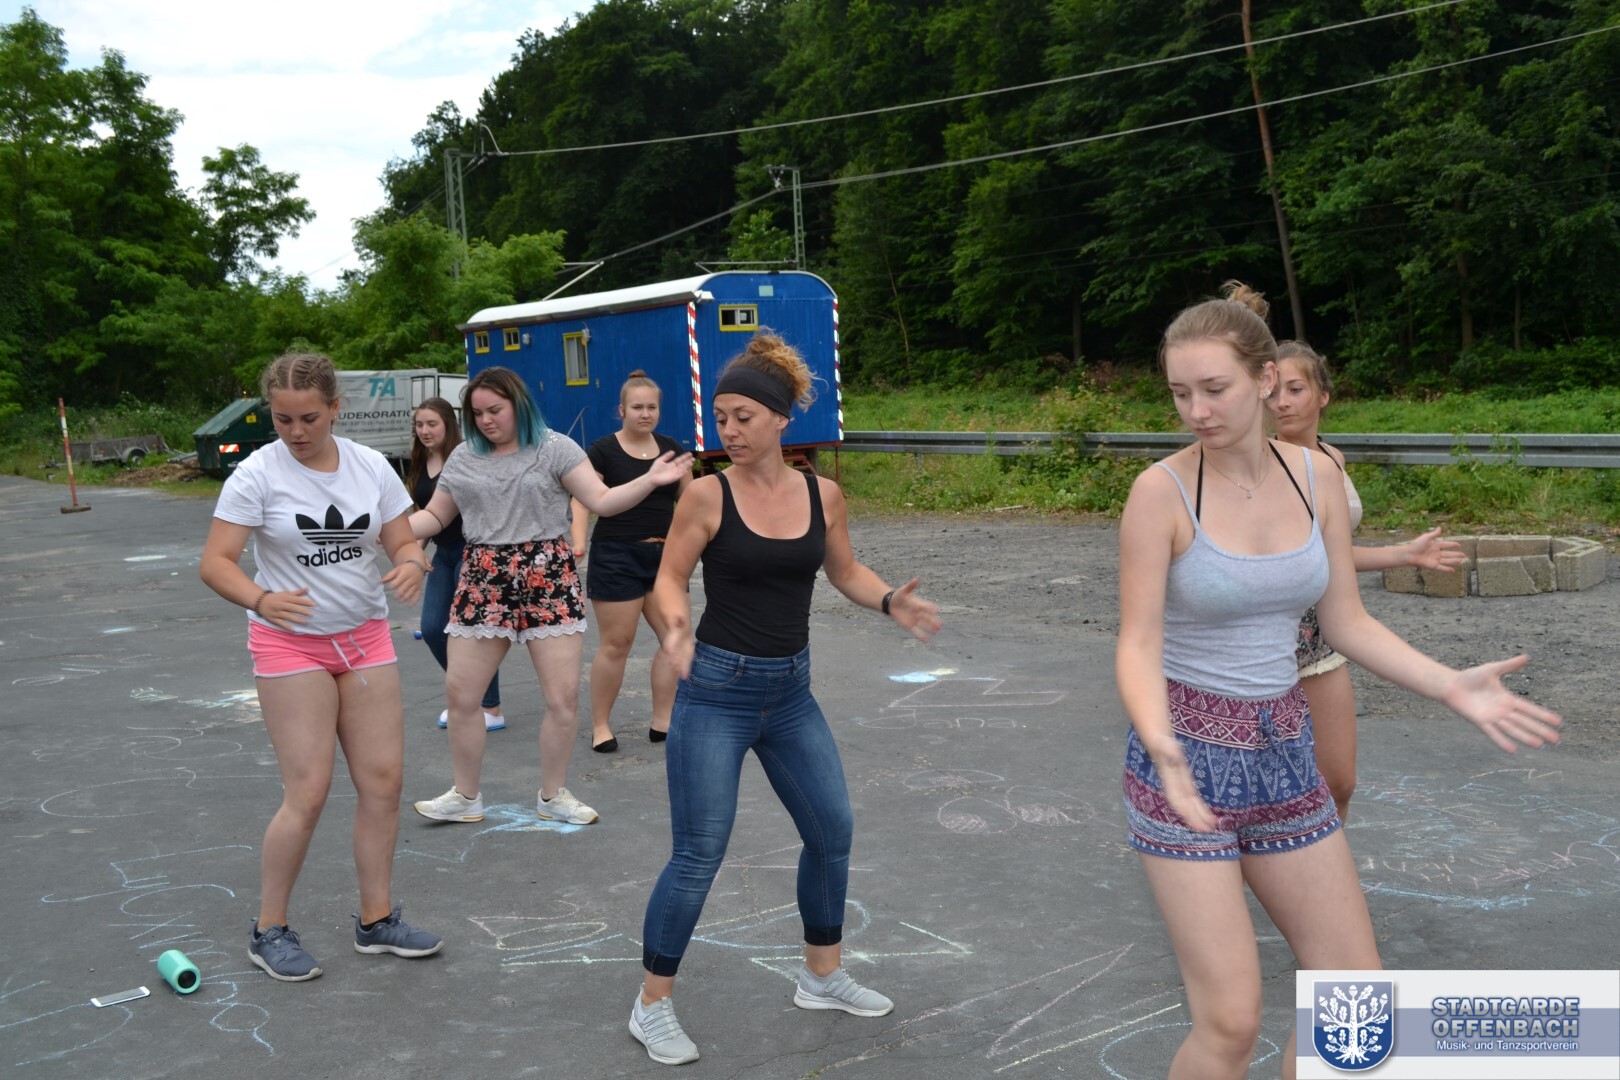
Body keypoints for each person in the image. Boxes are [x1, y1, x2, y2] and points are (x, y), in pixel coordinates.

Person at [1114, 283, 1561, 1080]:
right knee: (1230, 1022)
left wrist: (1450, 685)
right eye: (1180, 393)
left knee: (1353, 998)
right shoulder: (1161, 492)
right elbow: (1138, 644)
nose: (1196, 411)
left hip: (1286, 749)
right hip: (1184, 759)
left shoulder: (1314, 477)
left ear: (1264, 378)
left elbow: (1346, 622)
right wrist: (1160, 743)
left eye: (1213, 389)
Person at [627, 331, 943, 1066]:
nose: (729, 431)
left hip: (790, 693)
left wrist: (888, 598)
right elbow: (669, 578)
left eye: (742, 417)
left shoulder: (820, 494)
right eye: (721, 418)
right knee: (700, 852)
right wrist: (675, 627)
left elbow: (845, 571)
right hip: (716, 690)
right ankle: (651, 1005)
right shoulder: (706, 493)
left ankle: (821, 977)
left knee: (831, 831)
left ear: (779, 418)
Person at [199, 352, 444, 982]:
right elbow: (216, 562)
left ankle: (376, 920)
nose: (295, 431)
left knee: (384, 782)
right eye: (282, 419)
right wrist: (260, 599)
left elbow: (401, 539)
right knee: (308, 791)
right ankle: (269, 929)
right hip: (290, 645)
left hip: (363, 639)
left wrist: (411, 563)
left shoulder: (370, 467)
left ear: (335, 408)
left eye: (308, 418)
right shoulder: (256, 474)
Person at [408, 366, 692, 827]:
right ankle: (465, 796)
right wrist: (384, 528)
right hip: (484, 577)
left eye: (495, 410)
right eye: (477, 413)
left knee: (562, 699)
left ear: (518, 404)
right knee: (461, 697)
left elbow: (602, 501)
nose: (485, 421)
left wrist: (650, 480)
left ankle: (553, 795)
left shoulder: (556, 448)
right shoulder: (463, 456)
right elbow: (435, 517)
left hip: (548, 575)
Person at [1268, 341, 1466, 820]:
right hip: (1270, 635)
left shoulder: (1331, 458)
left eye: (1295, 389)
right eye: (1273, 392)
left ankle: (1325, 865)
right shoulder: (1260, 463)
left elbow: (1331, 557)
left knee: (1339, 782)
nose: (1283, 402)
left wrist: (1405, 554)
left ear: (1323, 395)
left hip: (1324, 631)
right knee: (1270, 790)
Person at [567, 371, 693, 752]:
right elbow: (582, 501)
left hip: (665, 558)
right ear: (621, 410)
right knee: (617, 643)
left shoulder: (671, 449)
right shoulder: (602, 451)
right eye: (637, 407)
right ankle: (601, 725)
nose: (645, 413)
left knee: (674, 638)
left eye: (652, 407)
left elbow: (691, 503)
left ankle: (662, 720)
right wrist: (578, 541)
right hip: (616, 555)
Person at [408, 398, 505, 733]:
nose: (424, 431)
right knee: (433, 628)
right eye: (419, 425)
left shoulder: (466, 457)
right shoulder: (420, 460)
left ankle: (490, 707)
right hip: (443, 553)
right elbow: (427, 513)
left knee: (474, 632)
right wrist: (415, 553)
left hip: (472, 551)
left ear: (448, 424)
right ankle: (467, 694)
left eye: (431, 424)